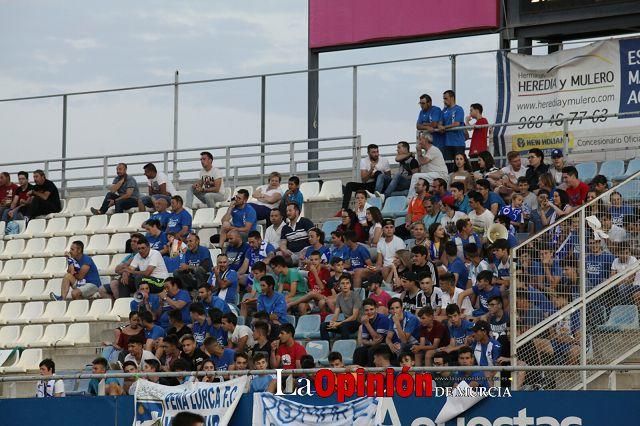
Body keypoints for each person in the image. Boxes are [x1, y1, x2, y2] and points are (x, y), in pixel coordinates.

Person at [342, 143, 391, 209]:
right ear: (368, 153)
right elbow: (364, 180)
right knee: (349, 185)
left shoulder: (384, 160)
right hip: (369, 186)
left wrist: (376, 175)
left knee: (378, 173)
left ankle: (377, 197)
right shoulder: (364, 161)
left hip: (381, 186)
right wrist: (371, 170)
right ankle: (344, 209)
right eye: (373, 152)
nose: (376, 154)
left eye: (377, 152)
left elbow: (388, 178)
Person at [321, 274, 362, 340]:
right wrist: (332, 323)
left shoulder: (356, 296)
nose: (345, 285)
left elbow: (354, 317)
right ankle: (327, 347)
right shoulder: (339, 296)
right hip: (346, 322)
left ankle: (345, 347)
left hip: (357, 323)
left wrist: (339, 323)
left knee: (343, 325)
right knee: (323, 326)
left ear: (350, 285)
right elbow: (336, 313)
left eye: (347, 283)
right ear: (339, 285)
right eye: (343, 283)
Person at [409, 133, 448, 198]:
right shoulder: (426, 152)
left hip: (440, 175)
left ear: (426, 140)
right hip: (432, 176)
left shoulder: (433, 149)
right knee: (420, 183)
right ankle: (416, 202)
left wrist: (419, 151)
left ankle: (410, 199)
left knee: (416, 177)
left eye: (420, 139)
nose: (419, 142)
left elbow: (422, 162)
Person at [353, 298, 391, 367]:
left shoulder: (383, 319)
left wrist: (367, 324)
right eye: (366, 310)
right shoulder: (366, 319)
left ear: (376, 309)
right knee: (359, 351)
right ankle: (357, 373)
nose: (369, 312)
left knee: (372, 351)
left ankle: (372, 374)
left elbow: (378, 338)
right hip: (373, 344)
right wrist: (371, 343)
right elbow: (363, 340)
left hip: (385, 345)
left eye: (371, 309)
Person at [438, 90, 466, 171]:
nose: (444, 101)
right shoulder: (444, 111)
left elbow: (456, 123)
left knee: (460, 166)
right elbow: (440, 123)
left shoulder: (459, 109)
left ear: (452, 98)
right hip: (447, 144)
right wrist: (440, 126)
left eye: (446, 98)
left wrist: (444, 127)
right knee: (449, 166)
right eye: (443, 99)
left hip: (458, 143)